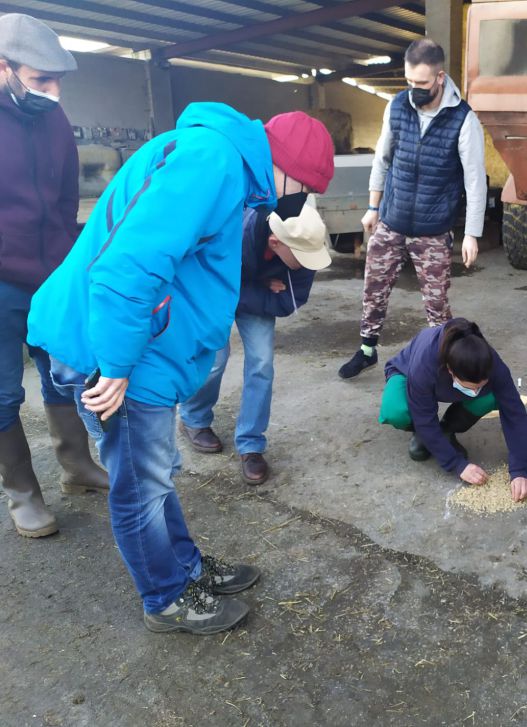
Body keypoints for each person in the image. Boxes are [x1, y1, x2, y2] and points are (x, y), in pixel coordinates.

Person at [27, 104, 333, 635]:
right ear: (287, 169)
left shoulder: (225, 164)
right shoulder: (211, 161)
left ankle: (185, 568)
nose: (299, 199)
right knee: (140, 483)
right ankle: (165, 598)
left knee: (156, 472)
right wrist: (118, 364)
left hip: (137, 341)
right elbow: (130, 264)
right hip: (115, 345)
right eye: (304, 187)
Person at [0, 13, 109, 539]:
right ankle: (23, 494)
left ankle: (77, 467)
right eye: (41, 80)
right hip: (0, 282)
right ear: (4, 69)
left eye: (58, 81)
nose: (53, 91)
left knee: (63, 374)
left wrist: (71, 264)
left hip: (51, 276)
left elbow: (67, 201)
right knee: (3, 392)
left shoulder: (54, 120)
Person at [338, 38, 487, 379]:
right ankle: (366, 349)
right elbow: (382, 158)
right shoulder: (398, 106)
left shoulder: (462, 119)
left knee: (436, 305)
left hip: (433, 229)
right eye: (408, 82)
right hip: (392, 218)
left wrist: (472, 234)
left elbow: (474, 180)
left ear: (439, 77)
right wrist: (373, 207)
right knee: (374, 286)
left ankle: (445, 362)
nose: (413, 89)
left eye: (420, 83)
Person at [179, 193, 333, 485]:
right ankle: (193, 418)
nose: (307, 263)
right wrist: (258, 286)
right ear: (275, 243)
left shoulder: (305, 241)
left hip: (249, 293)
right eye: (300, 257)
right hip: (216, 290)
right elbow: (208, 278)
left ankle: (250, 443)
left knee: (262, 362)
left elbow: (289, 301)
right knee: (214, 359)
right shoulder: (234, 233)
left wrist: (249, 288)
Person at [378, 318, 527, 502]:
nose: (475, 392)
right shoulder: (424, 365)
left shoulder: (494, 366)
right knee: (396, 411)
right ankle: (422, 435)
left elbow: (514, 412)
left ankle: (446, 429)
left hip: (449, 381)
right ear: (450, 370)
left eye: (480, 386)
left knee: (491, 396)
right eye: (470, 386)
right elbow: (423, 415)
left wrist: (520, 470)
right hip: (406, 374)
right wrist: (457, 465)